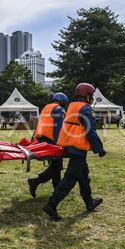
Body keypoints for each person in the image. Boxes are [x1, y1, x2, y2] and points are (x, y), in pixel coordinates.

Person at [43, 83, 106, 221]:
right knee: (70, 179)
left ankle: (89, 202)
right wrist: (99, 149)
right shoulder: (85, 108)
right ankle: (51, 205)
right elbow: (90, 131)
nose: (93, 98)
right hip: (77, 148)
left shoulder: (72, 106)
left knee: (83, 175)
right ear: (87, 95)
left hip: (68, 145)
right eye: (92, 95)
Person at [27, 92, 69, 198]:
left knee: (55, 165)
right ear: (62, 101)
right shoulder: (59, 110)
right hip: (50, 141)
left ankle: (57, 190)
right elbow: (58, 128)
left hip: (40, 140)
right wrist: (60, 144)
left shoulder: (46, 108)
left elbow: (39, 125)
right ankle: (36, 181)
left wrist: (33, 139)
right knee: (57, 166)